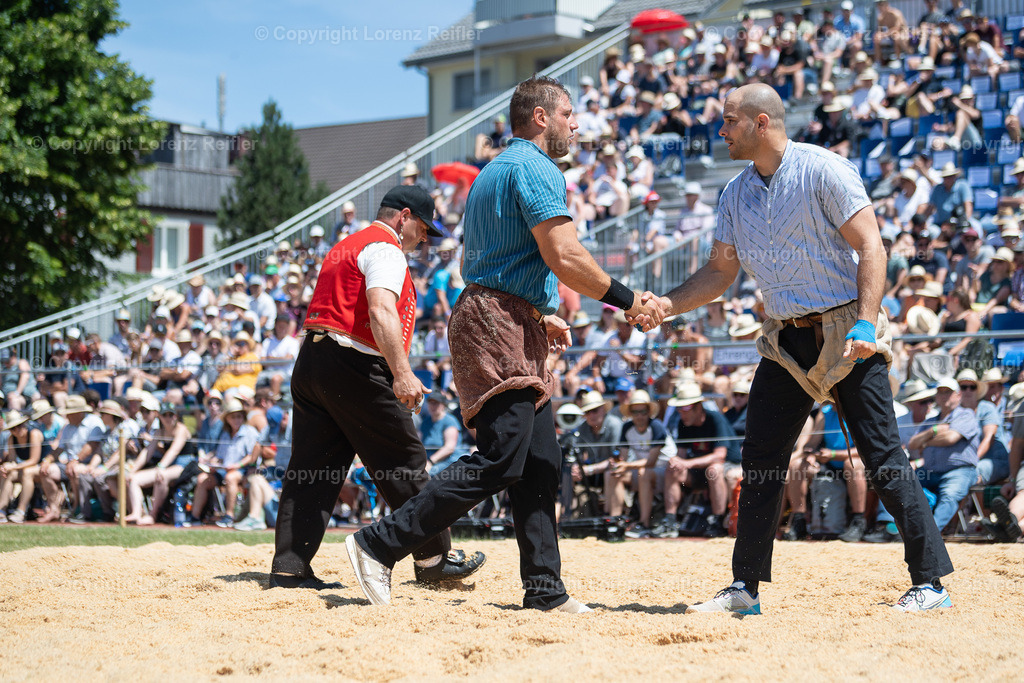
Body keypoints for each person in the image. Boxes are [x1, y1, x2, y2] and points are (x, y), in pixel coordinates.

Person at [346, 76, 664, 611]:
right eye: (568, 114)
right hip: (498, 322)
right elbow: (564, 256)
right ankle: (379, 543)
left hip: (502, 316)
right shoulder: (538, 168)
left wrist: (540, 311)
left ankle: (545, 590)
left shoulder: (492, 171)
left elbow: (503, 258)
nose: (576, 124)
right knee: (503, 457)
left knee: (540, 460)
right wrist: (628, 301)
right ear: (540, 117)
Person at [648, 84, 953, 614]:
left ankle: (931, 584)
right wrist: (666, 305)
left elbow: (871, 245)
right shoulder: (733, 194)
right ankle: (745, 588)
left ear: (761, 122)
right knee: (761, 459)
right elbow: (720, 272)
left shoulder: (824, 169)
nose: (721, 130)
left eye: (730, 121)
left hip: (848, 330)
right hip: (784, 338)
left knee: (883, 456)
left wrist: (866, 322)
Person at [270, 184, 487, 591]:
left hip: (313, 360)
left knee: (312, 468)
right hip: (355, 363)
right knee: (404, 461)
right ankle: (434, 559)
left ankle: (289, 566)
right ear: (404, 217)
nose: (424, 239)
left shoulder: (345, 245)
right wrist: (402, 372)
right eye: (423, 229)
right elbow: (381, 309)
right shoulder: (386, 249)